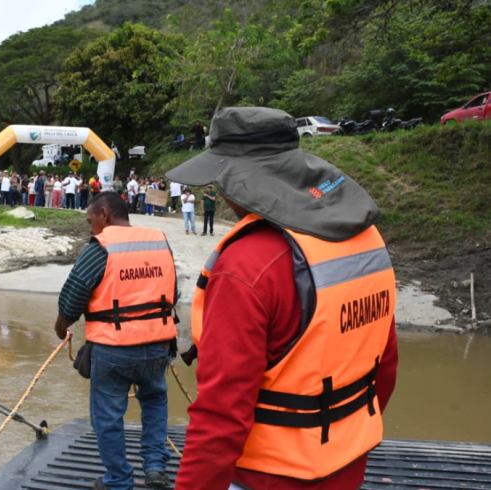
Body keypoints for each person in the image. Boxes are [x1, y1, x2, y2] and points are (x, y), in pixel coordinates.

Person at [165, 107, 399, 490]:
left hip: (269, 475)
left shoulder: (247, 266)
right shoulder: (365, 238)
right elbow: (384, 363)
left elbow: (221, 417)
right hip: (349, 462)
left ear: (236, 181)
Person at [53, 192, 178, 490]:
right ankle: (155, 469)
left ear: (104, 214)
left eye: (90, 220)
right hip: (158, 344)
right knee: (155, 401)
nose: (91, 227)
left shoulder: (99, 248)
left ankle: (119, 481)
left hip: (113, 349)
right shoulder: (159, 241)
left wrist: (61, 329)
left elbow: (72, 298)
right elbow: (172, 290)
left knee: (107, 416)